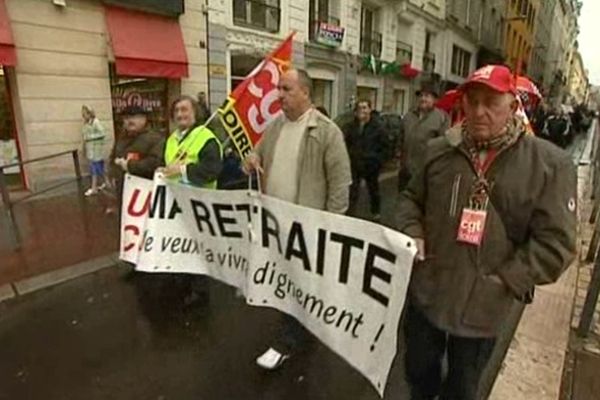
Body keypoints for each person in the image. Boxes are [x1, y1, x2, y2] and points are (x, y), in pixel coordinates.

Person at [397, 65, 577, 400]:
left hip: (484, 307)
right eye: (473, 101)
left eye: (491, 103)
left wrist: (506, 279)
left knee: (463, 389)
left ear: (513, 106)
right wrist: (412, 230)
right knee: (418, 373)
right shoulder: (439, 150)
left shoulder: (550, 165)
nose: (479, 112)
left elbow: (558, 245)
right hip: (428, 292)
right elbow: (410, 199)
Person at [243, 68, 351, 370]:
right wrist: (251, 161)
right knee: (287, 280)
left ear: (305, 92)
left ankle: (286, 342)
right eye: (279, 88)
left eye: (287, 89)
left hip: (308, 229)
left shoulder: (327, 132)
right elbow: (254, 157)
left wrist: (329, 229)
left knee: (297, 282)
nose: (279, 95)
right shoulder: (275, 127)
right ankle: (304, 326)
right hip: (275, 226)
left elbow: (341, 186)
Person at [110, 105, 164, 209]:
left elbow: (155, 163)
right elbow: (113, 157)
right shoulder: (121, 138)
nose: (129, 121)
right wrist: (112, 173)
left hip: (144, 192)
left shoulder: (155, 138)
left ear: (144, 119)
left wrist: (129, 165)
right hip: (123, 191)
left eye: (134, 117)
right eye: (126, 118)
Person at [397, 84, 449, 192]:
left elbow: (444, 147)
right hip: (406, 172)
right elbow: (400, 139)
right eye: (421, 96)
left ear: (434, 99)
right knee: (402, 203)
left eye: (427, 96)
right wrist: (399, 159)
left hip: (426, 174)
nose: (423, 99)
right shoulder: (409, 116)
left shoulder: (441, 118)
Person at [343, 99, 385, 220]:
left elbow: (385, 146)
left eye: (365, 108)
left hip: (371, 165)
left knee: (373, 189)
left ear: (370, 110)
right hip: (355, 164)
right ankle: (350, 214)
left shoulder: (377, 127)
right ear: (356, 112)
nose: (363, 111)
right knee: (353, 190)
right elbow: (346, 143)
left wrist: (378, 161)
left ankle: (376, 212)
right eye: (360, 108)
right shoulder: (350, 127)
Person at [81, 105, 109, 196]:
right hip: (91, 149)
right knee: (100, 168)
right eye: (82, 114)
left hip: (97, 149)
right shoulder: (86, 124)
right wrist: (84, 147)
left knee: (94, 168)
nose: (83, 116)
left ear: (89, 113)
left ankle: (94, 188)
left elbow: (102, 133)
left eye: (84, 113)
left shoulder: (96, 122)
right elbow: (84, 137)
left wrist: (90, 137)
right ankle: (107, 183)